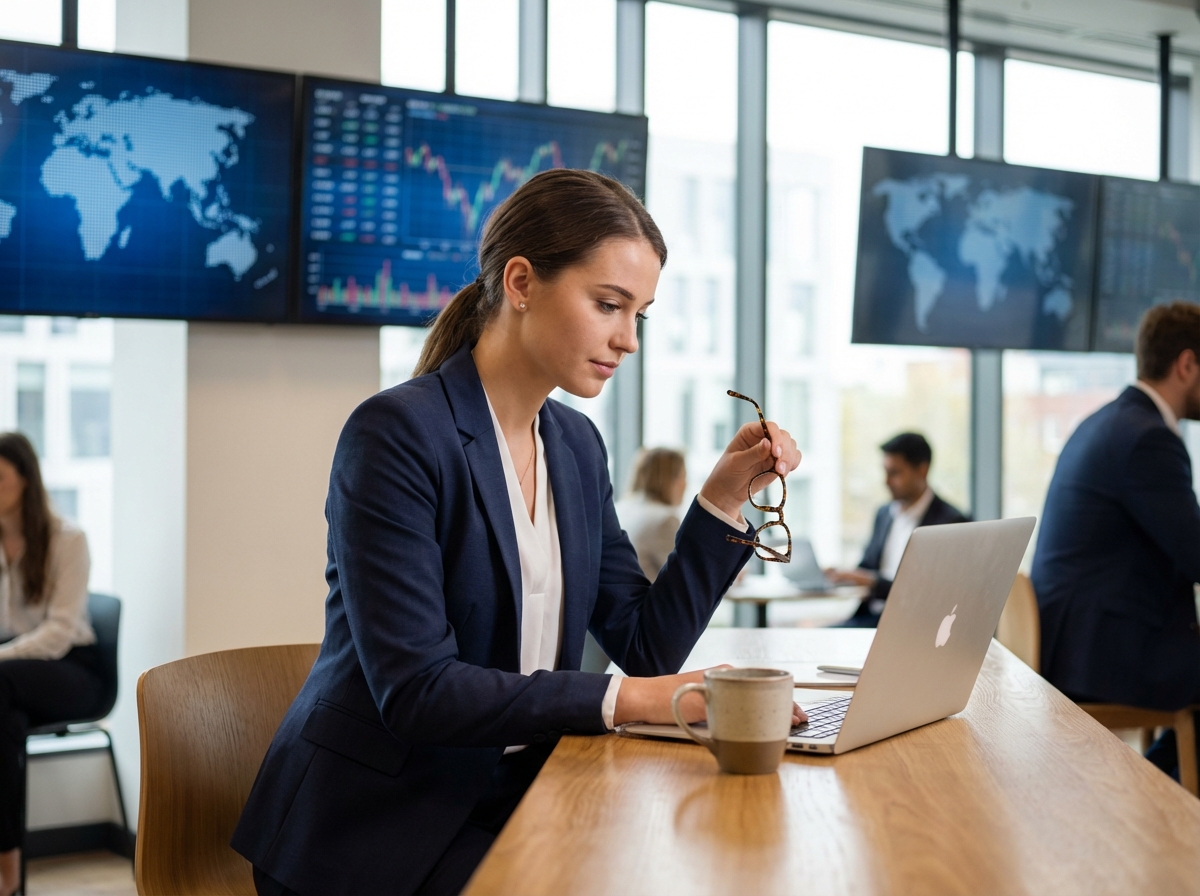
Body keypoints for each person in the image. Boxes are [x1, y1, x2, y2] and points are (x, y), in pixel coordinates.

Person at [232, 169, 803, 896]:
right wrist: (637, 701)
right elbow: (419, 691)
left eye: (641, 316)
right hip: (377, 828)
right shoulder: (397, 434)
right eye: (608, 305)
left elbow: (646, 644)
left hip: (521, 797)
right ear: (523, 282)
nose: (627, 341)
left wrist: (724, 499)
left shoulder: (574, 445)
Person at [1033, 302, 1200, 779]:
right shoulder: (1149, 439)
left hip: (1080, 640)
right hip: (1106, 653)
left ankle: (1156, 786)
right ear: (1186, 364)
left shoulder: (1106, 422)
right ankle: (1159, 793)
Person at [0, 432, 96, 896]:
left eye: (0, 477)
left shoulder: (68, 540)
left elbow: (58, 634)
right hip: (11, 679)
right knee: (5, 722)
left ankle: (7, 868)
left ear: (25, 479)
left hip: (73, 670)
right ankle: (11, 873)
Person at [828, 432, 968, 628]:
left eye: (894, 473)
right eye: (885, 472)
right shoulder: (884, 514)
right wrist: (843, 575)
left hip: (914, 626)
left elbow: (932, 592)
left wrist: (874, 582)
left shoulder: (951, 522)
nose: (886, 481)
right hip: (870, 618)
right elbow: (868, 566)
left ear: (922, 470)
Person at [614, 448, 687, 582]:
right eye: (682, 476)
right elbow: (686, 578)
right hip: (647, 600)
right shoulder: (664, 520)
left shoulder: (621, 507)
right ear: (668, 480)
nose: (685, 484)